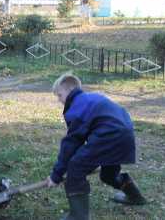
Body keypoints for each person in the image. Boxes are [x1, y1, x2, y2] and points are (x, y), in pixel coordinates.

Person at [44, 73, 146, 220]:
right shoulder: (92, 99)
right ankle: (135, 196)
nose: (59, 100)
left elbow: (71, 143)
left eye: (59, 95)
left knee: (75, 168)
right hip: (125, 134)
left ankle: (78, 216)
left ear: (70, 89)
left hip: (108, 136)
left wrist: (56, 175)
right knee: (108, 175)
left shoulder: (77, 106)